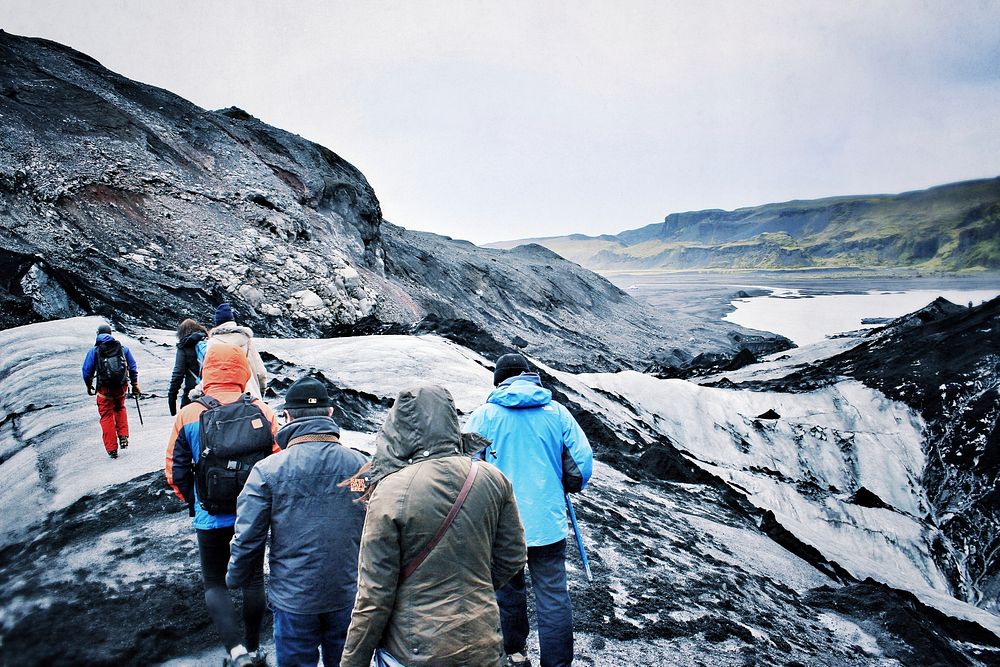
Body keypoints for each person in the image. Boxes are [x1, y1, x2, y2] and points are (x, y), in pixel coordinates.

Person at [341, 385, 527, 667]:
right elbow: (513, 555)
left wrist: (353, 661)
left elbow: (374, 595)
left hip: (413, 649)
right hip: (482, 642)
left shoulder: (390, 491)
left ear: (399, 426)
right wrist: (473, 589)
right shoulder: (492, 478)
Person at [227, 376, 368, 667]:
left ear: (287, 417)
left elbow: (248, 536)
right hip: (347, 592)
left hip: (294, 597)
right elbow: (370, 517)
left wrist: (234, 576)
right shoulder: (359, 466)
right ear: (330, 414)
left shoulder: (267, 471)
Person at [464, 353, 594, 667]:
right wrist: (566, 483)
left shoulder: (485, 416)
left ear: (499, 381)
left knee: (506, 592)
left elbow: (466, 470)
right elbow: (582, 464)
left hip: (501, 525)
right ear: (527, 376)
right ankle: (557, 663)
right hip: (547, 523)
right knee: (552, 596)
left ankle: (514, 654)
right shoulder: (557, 412)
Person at [165, 342, 280, 667]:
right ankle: (255, 647)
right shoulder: (263, 410)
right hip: (253, 514)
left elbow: (174, 469)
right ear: (243, 371)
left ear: (207, 371)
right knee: (254, 579)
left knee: (215, 582)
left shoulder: (189, 414)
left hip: (210, 516)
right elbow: (276, 461)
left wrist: (195, 501)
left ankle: (236, 654)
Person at [81, 322, 139, 459]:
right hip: (121, 387)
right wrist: (135, 383)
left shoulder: (94, 351)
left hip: (104, 389)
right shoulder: (123, 349)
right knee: (120, 408)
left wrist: (89, 385)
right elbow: (132, 367)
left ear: (98, 335)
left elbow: (86, 371)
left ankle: (112, 449)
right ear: (110, 334)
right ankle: (123, 435)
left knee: (106, 415)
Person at [208, 303, 268, 399]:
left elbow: (207, 373)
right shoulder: (246, 341)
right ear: (233, 320)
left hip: (220, 399)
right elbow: (260, 372)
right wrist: (261, 390)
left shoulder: (212, 343)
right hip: (249, 396)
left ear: (216, 323)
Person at [167, 318, 208, 416]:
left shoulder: (184, 347)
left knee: (188, 426)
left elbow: (178, 374)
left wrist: (172, 400)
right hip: (210, 392)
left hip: (191, 394)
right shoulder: (209, 342)